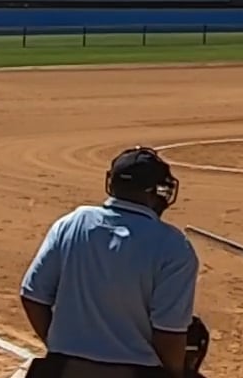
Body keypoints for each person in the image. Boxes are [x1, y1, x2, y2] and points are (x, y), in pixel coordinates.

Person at [20, 147, 203, 377]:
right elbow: (169, 332)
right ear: (155, 193)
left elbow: (32, 295)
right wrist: (176, 374)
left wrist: (59, 347)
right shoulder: (173, 246)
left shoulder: (72, 223)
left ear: (112, 184)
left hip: (64, 368)